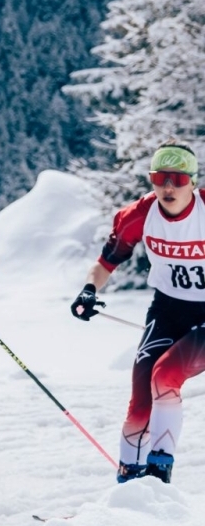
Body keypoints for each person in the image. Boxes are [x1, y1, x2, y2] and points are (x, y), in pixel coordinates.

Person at [70, 141, 203, 484]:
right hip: (168, 308)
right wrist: (88, 290)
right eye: (160, 177)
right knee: (141, 399)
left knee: (166, 377)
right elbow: (105, 263)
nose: (168, 187)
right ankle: (129, 480)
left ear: (193, 179)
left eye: (177, 178)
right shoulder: (138, 216)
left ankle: (159, 476)